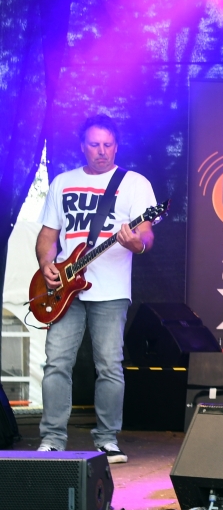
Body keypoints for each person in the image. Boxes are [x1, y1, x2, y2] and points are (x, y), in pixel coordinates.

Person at [36, 115, 158, 463]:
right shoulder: (63, 182)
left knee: (109, 365)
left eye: (107, 145)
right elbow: (48, 236)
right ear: (82, 146)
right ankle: (52, 438)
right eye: (94, 144)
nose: (101, 151)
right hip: (64, 288)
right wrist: (46, 264)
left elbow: (146, 235)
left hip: (112, 289)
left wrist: (136, 243)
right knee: (56, 363)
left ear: (116, 147)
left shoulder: (134, 184)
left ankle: (107, 439)